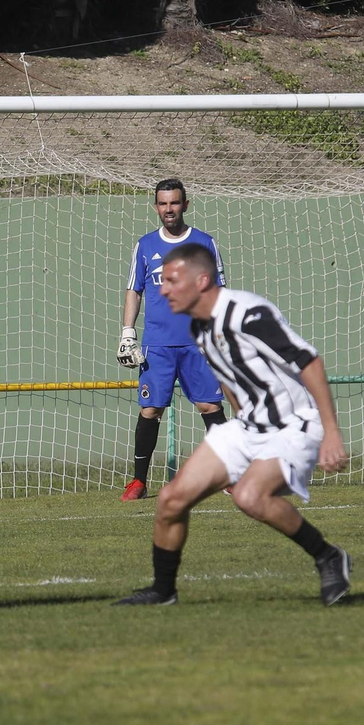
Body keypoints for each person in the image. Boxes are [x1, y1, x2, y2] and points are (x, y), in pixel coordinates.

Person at [113, 242, 352, 607]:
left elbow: (310, 362)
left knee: (249, 496)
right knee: (171, 500)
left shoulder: (247, 313)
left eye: (173, 281)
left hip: (293, 425)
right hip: (248, 426)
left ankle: (328, 555)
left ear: (202, 280)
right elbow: (228, 377)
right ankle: (163, 591)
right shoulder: (199, 326)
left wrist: (331, 433)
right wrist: (239, 424)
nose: (163, 289)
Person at [117, 178, 228, 502]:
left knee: (210, 406)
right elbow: (134, 290)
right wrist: (128, 333)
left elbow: (218, 290)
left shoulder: (204, 243)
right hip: (158, 346)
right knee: (151, 410)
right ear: (156, 207)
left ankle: (229, 475)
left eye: (175, 203)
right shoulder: (145, 245)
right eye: (163, 203)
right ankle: (138, 481)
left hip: (198, 343)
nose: (169, 209)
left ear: (185, 205)